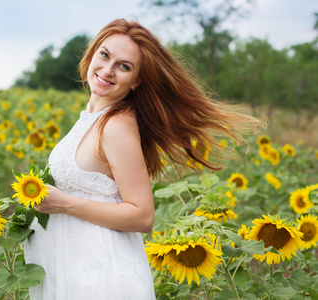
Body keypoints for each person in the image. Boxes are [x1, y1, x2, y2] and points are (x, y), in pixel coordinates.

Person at [24, 18, 263, 300]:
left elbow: (142, 215)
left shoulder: (116, 126)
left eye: (124, 66)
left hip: (99, 276)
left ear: (136, 80)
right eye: (105, 55)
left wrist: (65, 204)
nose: (108, 70)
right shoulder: (93, 118)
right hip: (72, 269)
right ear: (92, 54)